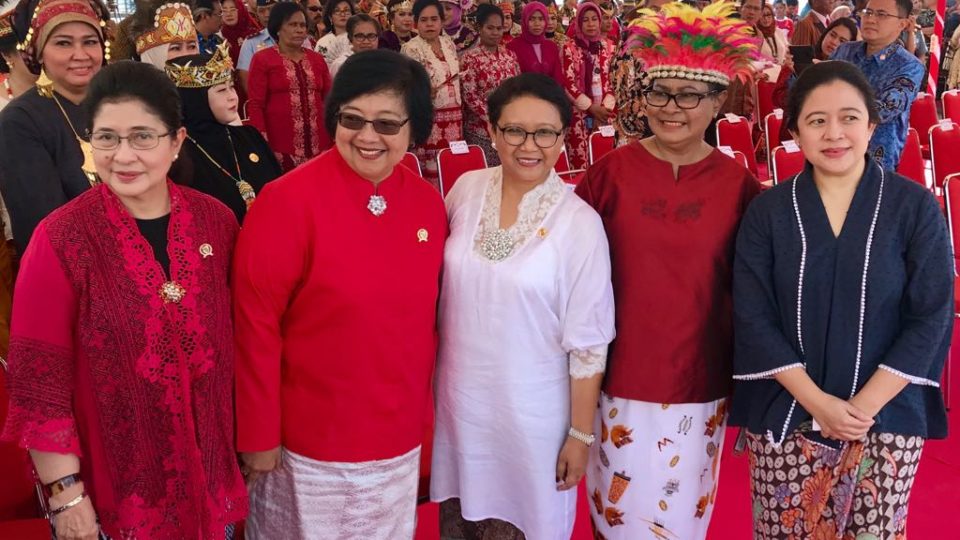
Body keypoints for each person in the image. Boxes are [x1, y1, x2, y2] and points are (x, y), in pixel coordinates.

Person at [1, 59, 248, 540]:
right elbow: (39, 382)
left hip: (214, 485)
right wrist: (66, 494)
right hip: (115, 496)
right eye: (107, 137)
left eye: (142, 136)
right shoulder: (62, 239)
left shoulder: (216, 223)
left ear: (176, 142)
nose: (123, 155)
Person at [730, 60, 951, 540]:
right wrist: (820, 405)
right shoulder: (768, 212)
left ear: (872, 125)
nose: (835, 133)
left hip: (887, 416)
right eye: (817, 120)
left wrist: (862, 408)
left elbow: (930, 315)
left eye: (850, 117)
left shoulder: (913, 208)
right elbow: (752, 315)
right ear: (794, 131)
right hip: (787, 412)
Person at [234, 49, 445, 539]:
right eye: (353, 119)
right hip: (307, 444)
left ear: (415, 129)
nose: (368, 136)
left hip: (397, 436)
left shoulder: (427, 205)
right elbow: (254, 324)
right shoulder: (286, 201)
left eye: (388, 124)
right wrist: (258, 436)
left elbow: (423, 326)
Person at [575, 3, 761, 538]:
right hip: (614, 374)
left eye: (688, 95)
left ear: (718, 101)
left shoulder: (738, 185)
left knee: (679, 520)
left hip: (700, 376)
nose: (670, 108)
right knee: (616, 516)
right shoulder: (609, 173)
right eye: (659, 93)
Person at [432, 72, 614, 540]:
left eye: (545, 132)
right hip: (461, 409)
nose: (528, 145)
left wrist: (579, 434)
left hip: (533, 421)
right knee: (461, 521)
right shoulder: (466, 191)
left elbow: (590, 344)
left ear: (563, 137)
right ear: (492, 132)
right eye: (514, 130)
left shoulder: (580, 224)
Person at [0, 0, 108, 251]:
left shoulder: (120, 101)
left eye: (90, 42)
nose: (80, 55)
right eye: (63, 43)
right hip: (79, 267)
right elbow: (43, 227)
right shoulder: (19, 122)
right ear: (38, 51)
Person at [167, 46, 282, 223]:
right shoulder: (179, 156)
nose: (232, 97)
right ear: (195, 98)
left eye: (232, 87)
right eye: (221, 90)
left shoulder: (249, 137)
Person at [831, 0, 923, 170]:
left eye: (881, 14)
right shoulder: (844, 51)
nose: (870, 19)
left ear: (902, 24)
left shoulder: (909, 66)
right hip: (832, 149)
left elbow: (883, 110)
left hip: (875, 161)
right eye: (867, 12)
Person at [248, 1, 332, 171]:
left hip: (321, 146)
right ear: (278, 28)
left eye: (303, 25)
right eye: (293, 24)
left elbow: (330, 100)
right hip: (281, 149)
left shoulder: (317, 60)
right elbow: (256, 104)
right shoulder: (263, 59)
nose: (300, 30)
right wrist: (262, 143)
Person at [402, 0, 461, 190]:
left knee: (451, 165)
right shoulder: (411, 49)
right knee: (431, 170)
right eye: (424, 20)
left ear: (442, 21)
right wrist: (423, 91)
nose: (429, 24)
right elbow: (406, 86)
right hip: (430, 118)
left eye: (434, 19)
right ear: (416, 23)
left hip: (455, 119)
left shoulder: (448, 43)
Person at [460, 4, 520, 165]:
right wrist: (493, 117)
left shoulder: (510, 56)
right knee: (485, 178)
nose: (495, 33)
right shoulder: (470, 58)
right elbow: (470, 96)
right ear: (479, 28)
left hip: (509, 126)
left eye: (499, 28)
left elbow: (517, 88)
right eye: (490, 28)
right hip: (481, 131)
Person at [560, 2, 614, 170]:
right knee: (581, 164)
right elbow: (567, 83)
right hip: (579, 115)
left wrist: (604, 109)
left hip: (606, 113)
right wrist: (591, 108)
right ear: (578, 23)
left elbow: (615, 79)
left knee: (606, 160)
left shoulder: (610, 47)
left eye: (594, 19)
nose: (591, 24)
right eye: (585, 20)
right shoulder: (569, 48)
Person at [772, 17, 859, 109]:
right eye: (832, 35)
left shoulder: (847, 74)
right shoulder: (803, 57)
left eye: (842, 41)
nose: (834, 42)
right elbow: (777, 99)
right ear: (825, 34)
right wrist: (794, 74)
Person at [507, 1, 564, 87]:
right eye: (532, 19)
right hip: (524, 98)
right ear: (525, 20)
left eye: (541, 19)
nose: (537, 24)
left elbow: (558, 79)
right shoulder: (513, 46)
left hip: (551, 97)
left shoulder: (551, 46)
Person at [237, 0, 276, 93]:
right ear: (257, 14)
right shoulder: (251, 42)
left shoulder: (296, 37)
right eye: (261, 11)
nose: (266, 14)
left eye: (271, 9)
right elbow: (244, 78)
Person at [220, 0, 262, 68]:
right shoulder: (218, 37)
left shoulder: (253, 35)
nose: (228, 14)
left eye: (233, 10)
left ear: (241, 11)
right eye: (224, 10)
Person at [757, 2, 790, 81]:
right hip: (764, 79)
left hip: (782, 77)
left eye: (769, 15)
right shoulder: (755, 34)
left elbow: (787, 50)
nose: (766, 19)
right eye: (762, 16)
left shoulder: (778, 32)